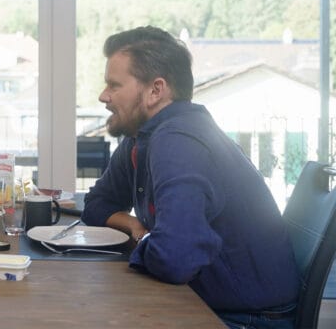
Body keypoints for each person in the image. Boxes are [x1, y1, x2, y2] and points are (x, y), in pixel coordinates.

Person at [81, 26, 300, 328]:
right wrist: (133, 224)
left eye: (114, 85)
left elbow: (175, 259)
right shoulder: (142, 138)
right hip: (208, 301)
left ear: (156, 90)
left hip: (244, 319)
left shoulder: (178, 141)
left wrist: (144, 239)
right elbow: (96, 204)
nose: (103, 96)